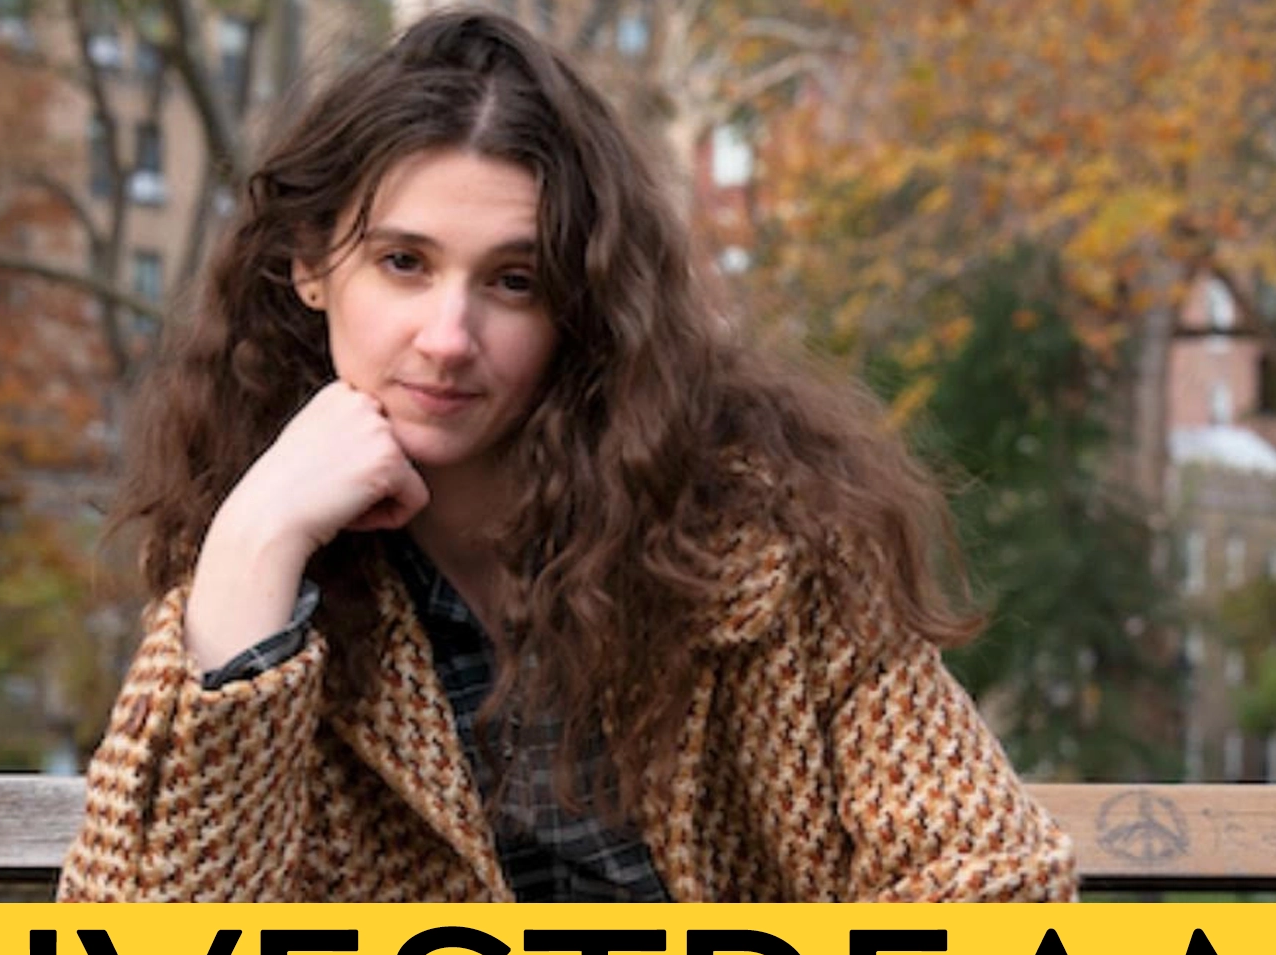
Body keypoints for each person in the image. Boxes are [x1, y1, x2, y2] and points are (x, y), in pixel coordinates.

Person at [57, 9, 1075, 903]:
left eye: (512, 282)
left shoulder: (762, 535)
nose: (447, 336)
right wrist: (254, 547)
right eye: (402, 263)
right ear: (311, 266)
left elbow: (992, 884)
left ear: (577, 306)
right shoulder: (248, 552)